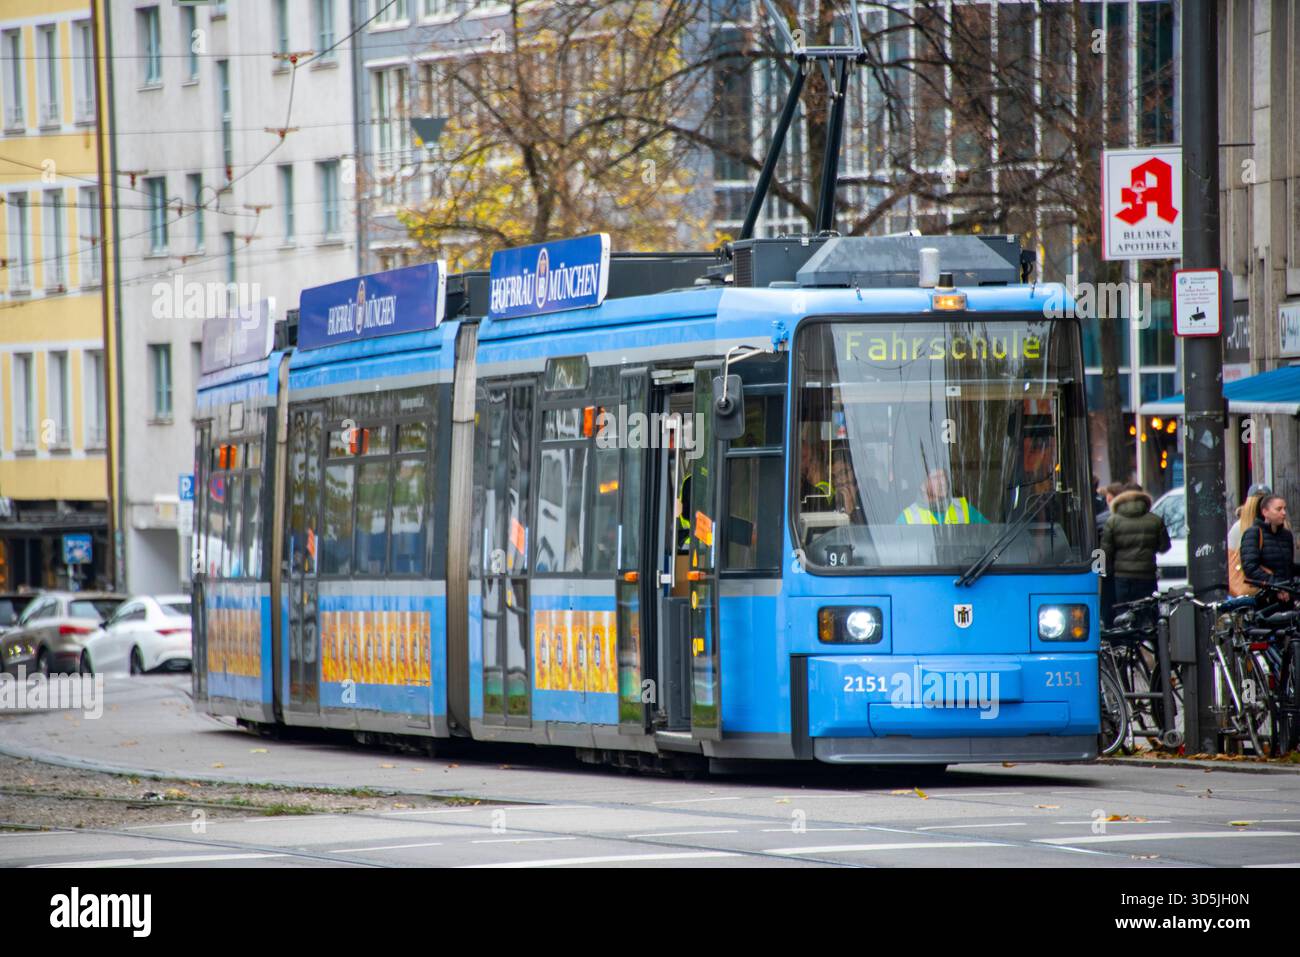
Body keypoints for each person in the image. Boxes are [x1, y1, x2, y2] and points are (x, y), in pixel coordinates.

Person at [1100, 482, 1171, 613]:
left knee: (1123, 614)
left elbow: (1106, 552)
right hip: (1147, 575)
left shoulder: (1113, 521)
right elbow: (1164, 546)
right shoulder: (1155, 520)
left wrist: (1105, 573)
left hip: (1122, 577)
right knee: (1147, 613)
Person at [1240, 494, 1296, 597]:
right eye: (1278, 509)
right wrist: (1277, 586)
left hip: (1287, 596)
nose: (1283, 513)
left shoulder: (1286, 535)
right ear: (1265, 512)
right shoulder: (1254, 533)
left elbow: (1288, 566)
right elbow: (1250, 568)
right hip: (1264, 598)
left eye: (1284, 509)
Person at [897, 467, 989, 525]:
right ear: (922, 485)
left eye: (944, 476)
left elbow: (991, 536)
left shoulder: (964, 508)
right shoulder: (906, 518)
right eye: (936, 477)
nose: (944, 482)